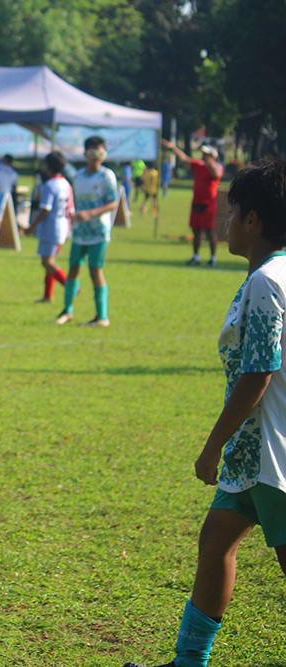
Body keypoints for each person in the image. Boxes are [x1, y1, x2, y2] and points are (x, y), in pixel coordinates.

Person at [122, 158, 286, 667]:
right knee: (216, 540)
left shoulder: (266, 282)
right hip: (252, 453)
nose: (225, 221)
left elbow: (257, 374)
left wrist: (211, 445)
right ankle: (189, 661)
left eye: (232, 211)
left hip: (268, 451)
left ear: (253, 221)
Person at [54, 135, 119, 327]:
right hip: (80, 232)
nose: (96, 157)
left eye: (100, 153)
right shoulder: (79, 177)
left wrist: (91, 213)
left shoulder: (107, 176)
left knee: (95, 270)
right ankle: (68, 311)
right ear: (85, 154)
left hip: (99, 232)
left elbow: (113, 202)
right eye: (92, 153)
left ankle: (102, 316)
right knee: (73, 268)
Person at [162, 139, 224, 267]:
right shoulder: (199, 166)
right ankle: (196, 256)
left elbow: (216, 174)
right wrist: (173, 148)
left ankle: (213, 258)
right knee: (196, 231)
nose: (203, 155)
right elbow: (185, 159)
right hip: (196, 202)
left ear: (213, 156)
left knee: (209, 231)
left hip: (208, 204)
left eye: (207, 154)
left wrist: (210, 163)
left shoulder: (217, 167)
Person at [29, 151, 73, 303]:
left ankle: (70, 286)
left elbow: (46, 209)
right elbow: (71, 207)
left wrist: (32, 225)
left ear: (47, 167)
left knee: (47, 262)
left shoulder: (49, 185)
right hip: (63, 226)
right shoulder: (66, 184)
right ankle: (47, 296)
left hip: (52, 227)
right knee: (50, 260)